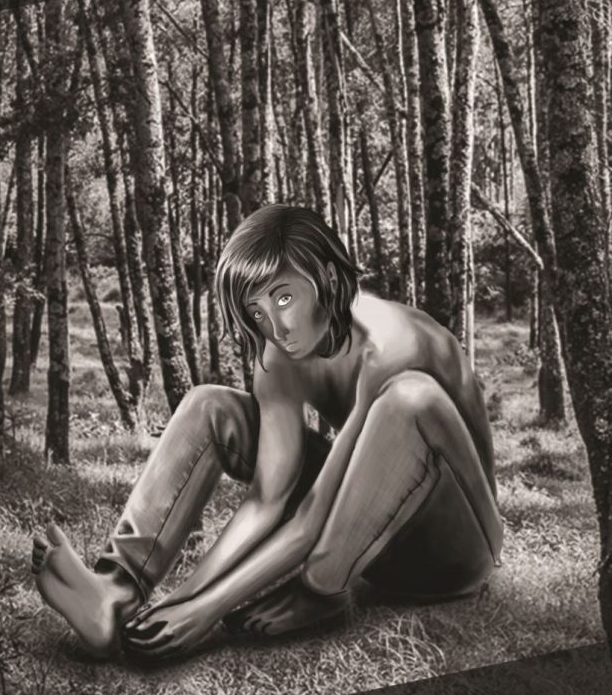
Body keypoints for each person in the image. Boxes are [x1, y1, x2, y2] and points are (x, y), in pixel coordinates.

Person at [31, 204, 503, 662]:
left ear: (328, 280)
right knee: (208, 405)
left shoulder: (392, 347)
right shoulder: (278, 353)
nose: (275, 327)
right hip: (374, 534)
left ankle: (321, 587)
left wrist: (207, 611)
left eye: (283, 298)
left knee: (410, 398)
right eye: (257, 311)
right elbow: (267, 502)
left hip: (456, 550)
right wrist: (184, 599)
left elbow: (316, 513)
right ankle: (115, 590)